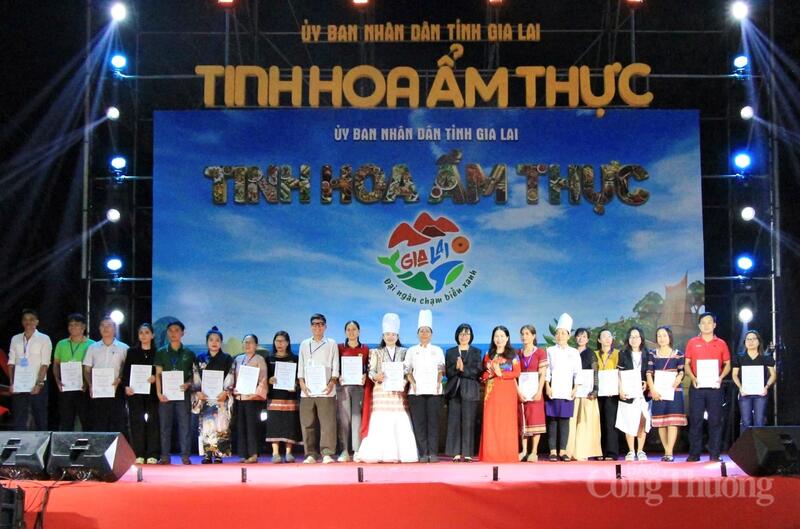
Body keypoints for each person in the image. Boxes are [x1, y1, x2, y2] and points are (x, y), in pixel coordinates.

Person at [354, 313, 418, 463]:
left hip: (398, 392)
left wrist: (403, 382)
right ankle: (378, 453)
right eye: (387, 334)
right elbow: (371, 371)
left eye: (393, 334)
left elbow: (408, 370)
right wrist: (376, 376)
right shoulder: (375, 352)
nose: (390, 337)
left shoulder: (404, 352)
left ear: (397, 336)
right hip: (381, 391)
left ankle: (401, 454)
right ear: (383, 336)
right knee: (381, 420)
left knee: (399, 418)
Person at [684, 312, 731, 462]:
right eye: (703, 322)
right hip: (697, 387)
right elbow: (686, 364)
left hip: (715, 387)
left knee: (715, 421)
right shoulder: (692, 342)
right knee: (696, 421)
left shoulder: (721, 343)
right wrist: (693, 377)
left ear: (714, 325)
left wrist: (720, 377)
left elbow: (728, 364)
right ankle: (694, 454)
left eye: (709, 322)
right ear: (699, 325)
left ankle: (715, 454)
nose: (706, 325)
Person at [297, 313, 340, 464]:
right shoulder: (304, 344)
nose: (318, 327)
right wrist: (301, 382)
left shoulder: (331, 343)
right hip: (307, 390)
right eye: (315, 324)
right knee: (307, 423)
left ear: (325, 327)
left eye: (321, 324)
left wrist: (332, 382)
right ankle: (311, 454)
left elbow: (335, 364)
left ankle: (327, 453)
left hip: (326, 389)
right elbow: (301, 365)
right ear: (311, 327)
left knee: (327, 423)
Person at [405, 309, 446, 463]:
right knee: (419, 423)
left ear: (431, 334)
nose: (424, 333)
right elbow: (407, 370)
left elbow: (441, 369)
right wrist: (413, 383)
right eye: (421, 331)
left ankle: (433, 453)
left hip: (434, 391)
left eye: (427, 331)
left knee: (433, 423)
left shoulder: (437, 350)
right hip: (416, 392)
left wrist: (438, 382)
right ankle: (423, 453)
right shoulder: (411, 351)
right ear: (417, 333)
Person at [154, 319, 196, 465]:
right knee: (164, 425)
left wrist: (188, 384)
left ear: (182, 333)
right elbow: (158, 374)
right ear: (167, 333)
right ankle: (165, 456)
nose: (173, 333)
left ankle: (185, 455)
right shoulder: (161, 352)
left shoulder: (189, 353)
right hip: (166, 394)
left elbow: (194, 375)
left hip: (182, 393)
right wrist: (159, 393)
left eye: (177, 330)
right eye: (170, 331)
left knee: (185, 425)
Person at [478, 325, 521, 463]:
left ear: (507, 338)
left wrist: (501, 373)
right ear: (493, 338)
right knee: (492, 421)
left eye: (502, 336)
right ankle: (491, 454)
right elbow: (483, 374)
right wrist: (489, 374)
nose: (499, 339)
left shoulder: (513, 355)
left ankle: (507, 454)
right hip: (492, 391)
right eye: (496, 336)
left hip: (507, 391)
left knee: (507, 422)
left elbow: (517, 373)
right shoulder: (488, 354)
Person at [646, 326, 686, 462]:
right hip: (658, 392)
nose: (661, 338)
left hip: (674, 392)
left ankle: (669, 452)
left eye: (664, 335)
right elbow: (649, 373)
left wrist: (678, 378)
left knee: (672, 422)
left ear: (670, 337)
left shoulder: (678, 353)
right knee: (661, 422)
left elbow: (681, 371)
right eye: (659, 336)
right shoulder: (652, 354)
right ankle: (666, 450)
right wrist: (652, 390)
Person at [194, 326, 234, 464]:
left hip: (220, 398)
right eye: (211, 340)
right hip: (205, 397)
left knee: (221, 426)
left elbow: (230, 375)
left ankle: (218, 454)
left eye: (217, 340)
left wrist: (226, 391)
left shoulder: (227, 358)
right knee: (206, 426)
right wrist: (198, 391)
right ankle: (207, 454)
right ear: (207, 342)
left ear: (221, 342)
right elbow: (196, 376)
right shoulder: (200, 358)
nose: (214, 342)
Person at [83, 316, 129, 435]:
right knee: (99, 423)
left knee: (118, 424)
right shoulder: (92, 347)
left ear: (115, 328)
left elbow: (127, 369)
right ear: (99, 328)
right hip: (97, 391)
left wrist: (120, 379)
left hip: (116, 390)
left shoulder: (124, 348)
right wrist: (90, 385)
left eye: (109, 325)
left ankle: (118, 447)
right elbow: (87, 369)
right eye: (103, 325)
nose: (105, 328)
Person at [444, 323, 483, 462]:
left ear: (471, 336)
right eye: (461, 334)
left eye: (467, 334)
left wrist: (463, 369)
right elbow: (447, 372)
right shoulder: (450, 352)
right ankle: (455, 453)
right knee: (454, 421)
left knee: (468, 422)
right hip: (454, 391)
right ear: (457, 336)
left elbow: (477, 371)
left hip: (470, 390)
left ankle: (467, 453)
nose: (464, 336)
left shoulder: (476, 352)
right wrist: (456, 368)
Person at [8, 309, 52, 431]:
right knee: (19, 419)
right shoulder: (15, 339)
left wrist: (39, 384)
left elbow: (45, 363)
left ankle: (42, 443)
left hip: (38, 384)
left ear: (37, 322)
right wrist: (12, 383)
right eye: (25, 319)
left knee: (40, 417)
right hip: (19, 384)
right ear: (22, 322)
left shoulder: (44, 339)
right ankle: (19, 442)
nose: (28, 322)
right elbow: (11, 363)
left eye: (31, 319)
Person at [545, 313, 581, 462]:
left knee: (565, 421)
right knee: (552, 420)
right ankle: (553, 451)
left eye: (563, 333)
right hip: (553, 389)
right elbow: (547, 370)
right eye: (558, 333)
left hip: (567, 390)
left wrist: (575, 388)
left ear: (568, 336)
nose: (560, 336)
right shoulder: (550, 350)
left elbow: (578, 372)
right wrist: (547, 386)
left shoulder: (574, 352)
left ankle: (563, 451)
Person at [122, 323, 160, 464]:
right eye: (141, 333)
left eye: (147, 332)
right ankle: (138, 453)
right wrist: (126, 386)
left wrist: (155, 377)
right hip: (135, 393)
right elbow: (126, 371)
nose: (144, 335)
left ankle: (153, 454)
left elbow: (161, 372)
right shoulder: (132, 352)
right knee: (136, 422)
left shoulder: (158, 352)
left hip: (152, 393)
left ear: (152, 335)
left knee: (153, 422)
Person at [265, 331, 302, 463]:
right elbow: (264, 377)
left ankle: (288, 453)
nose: (279, 344)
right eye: (277, 341)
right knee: (274, 423)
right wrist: (269, 380)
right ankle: (275, 453)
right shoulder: (269, 359)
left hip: (289, 396)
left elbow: (299, 377)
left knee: (289, 423)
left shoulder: (295, 358)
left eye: (282, 341)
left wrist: (296, 384)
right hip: (274, 396)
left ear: (287, 343)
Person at [565, 328, 602, 461]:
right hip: (573, 392)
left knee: (585, 422)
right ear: (575, 338)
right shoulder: (571, 353)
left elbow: (595, 373)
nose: (581, 339)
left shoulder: (591, 354)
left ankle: (582, 452)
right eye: (579, 336)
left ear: (588, 339)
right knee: (571, 422)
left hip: (587, 394)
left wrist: (595, 390)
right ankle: (569, 452)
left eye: (584, 336)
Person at [53, 313, 93, 431]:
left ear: (83, 327)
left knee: (86, 420)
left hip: (84, 388)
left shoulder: (92, 344)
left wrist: (88, 383)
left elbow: (94, 368)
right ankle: (65, 443)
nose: (73, 327)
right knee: (66, 421)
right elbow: (56, 364)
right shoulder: (61, 344)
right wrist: (57, 380)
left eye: (76, 324)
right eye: (70, 325)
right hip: (66, 388)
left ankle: (88, 442)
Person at [616, 326, 651, 461]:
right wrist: (620, 390)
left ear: (641, 338)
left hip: (643, 394)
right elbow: (619, 374)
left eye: (636, 337)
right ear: (628, 339)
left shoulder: (648, 354)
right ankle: (631, 451)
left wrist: (647, 383)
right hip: (628, 393)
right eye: (631, 337)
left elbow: (651, 373)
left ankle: (640, 450)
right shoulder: (623, 353)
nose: (634, 339)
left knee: (642, 420)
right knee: (629, 421)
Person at [732, 330, 777, 433]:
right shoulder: (739, 357)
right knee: (745, 421)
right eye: (748, 339)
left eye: (753, 339)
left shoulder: (766, 357)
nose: (750, 341)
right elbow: (734, 375)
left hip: (761, 393)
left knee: (760, 421)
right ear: (744, 342)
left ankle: (759, 443)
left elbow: (773, 375)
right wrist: (740, 387)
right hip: (745, 393)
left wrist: (767, 386)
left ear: (759, 341)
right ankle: (745, 443)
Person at [232, 334, 268, 463]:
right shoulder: (238, 359)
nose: (247, 345)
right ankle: (243, 454)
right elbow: (233, 377)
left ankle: (253, 453)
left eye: (250, 342)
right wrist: (233, 389)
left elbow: (263, 379)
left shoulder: (259, 359)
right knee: (241, 426)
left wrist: (256, 393)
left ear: (256, 345)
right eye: (245, 342)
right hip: (240, 397)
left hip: (253, 399)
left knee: (252, 427)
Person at [336, 320, 368, 462]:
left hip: (359, 387)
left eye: (354, 329)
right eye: (348, 329)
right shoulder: (339, 348)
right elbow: (335, 366)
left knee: (356, 418)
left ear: (359, 331)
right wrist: (338, 376)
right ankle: (344, 450)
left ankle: (357, 450)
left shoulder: (365, 349)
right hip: (343, 387)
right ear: (345, 332)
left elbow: (368, 368)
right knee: (344, 418)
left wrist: (365, 375)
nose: (351, 332)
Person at [517, 324, 547, 462]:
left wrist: (539, 391)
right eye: (522, 334)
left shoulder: (540, 352)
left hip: (535, 392)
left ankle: (534, 452)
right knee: (523, 420)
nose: (524, 336)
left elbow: (543, 374)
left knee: (535, 420)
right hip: (522, 392)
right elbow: (515, 373)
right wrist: (518, 392)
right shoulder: (518, 353)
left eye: (527, 334)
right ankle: (523, 450)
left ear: (534, 336)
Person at [594, 329, 620, 460]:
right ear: (599, 340)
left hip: (611, 393)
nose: (607, 338)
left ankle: (611, 452)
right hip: (597, 393)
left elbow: (620, 373)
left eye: (609, 336)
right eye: (604, 336)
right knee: (598, 423)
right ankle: (599, 452)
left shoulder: (618, 354)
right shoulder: (594, 354)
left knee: (611, 422)